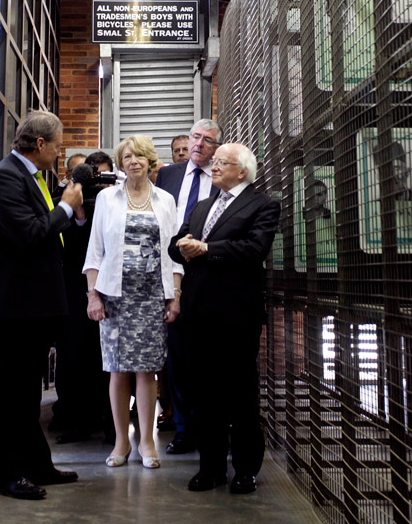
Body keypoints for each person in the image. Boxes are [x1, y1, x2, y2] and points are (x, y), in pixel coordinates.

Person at [0, 110, 85, 501]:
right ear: (40, 144)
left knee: (28, 393)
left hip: (35, 304)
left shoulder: (32, 177)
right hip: (15, 304)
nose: (59, 153)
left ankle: (38, 465)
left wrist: (66, 209)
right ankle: (9, 475)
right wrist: (65, 207)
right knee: (10, 394)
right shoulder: (5, 178)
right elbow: (29, 234)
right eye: (57, 146)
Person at [169, 142, 280, 495]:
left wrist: (207, 249)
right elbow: (176, 243)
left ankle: (245, 469)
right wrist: (183, 245)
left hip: (236, 315)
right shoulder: (203, 206)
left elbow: (253, 250)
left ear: (242, 171)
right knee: (205, 393)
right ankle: (211, 467)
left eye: (221, 163)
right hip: (199, 313)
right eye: (214, 162)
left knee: (240, 393)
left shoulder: (263, 205)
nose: (212, 167)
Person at [83, 135, 183, 469]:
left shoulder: (166, 200)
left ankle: (147, 441)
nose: (133, 161)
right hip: (114, 297)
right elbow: (95, 251)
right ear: (121, 163)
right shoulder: (107, 199)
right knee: (117, 369)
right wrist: (93, 294)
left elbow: (175, 256)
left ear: (150, 161)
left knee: (147, 372)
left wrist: (175, 296)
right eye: (127, 156)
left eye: (140, 156)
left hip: (153, 297)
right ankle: (121, 441)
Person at [156, 119, 222, 453]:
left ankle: (211, 428)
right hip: (172, 275)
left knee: (209, 359)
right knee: (177, 357)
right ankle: (183, 429)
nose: (198, 144)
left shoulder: (223, 177)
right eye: (195, 137)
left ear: (216, 148)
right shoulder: (167, 175)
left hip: (210, 276)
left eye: (207, 140)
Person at [53, 151, 116, 444]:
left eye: (102, 177)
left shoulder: (119, 202)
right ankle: (75, 420)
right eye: (92, 177)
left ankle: (110, 421)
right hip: (74, 290)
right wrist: (79, 213)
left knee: (108, 359)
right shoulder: (67, 201)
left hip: (111, 288)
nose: (96, 185)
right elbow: (69, 248)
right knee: (73, 355)